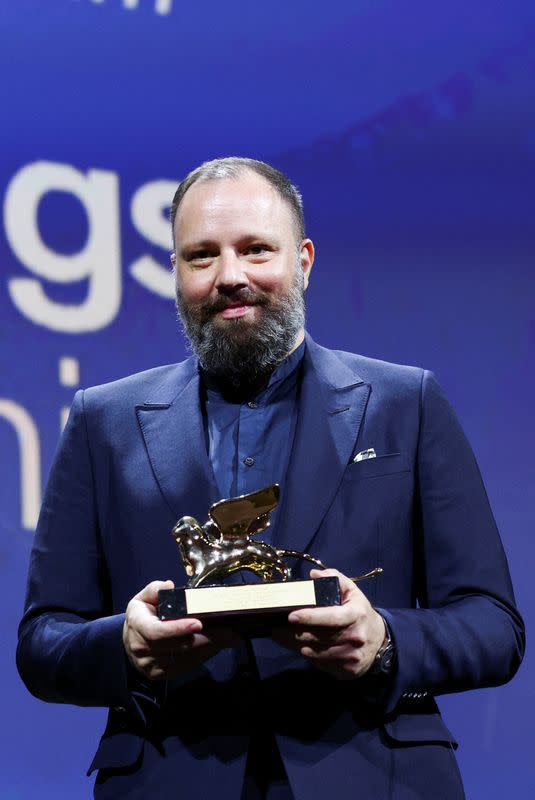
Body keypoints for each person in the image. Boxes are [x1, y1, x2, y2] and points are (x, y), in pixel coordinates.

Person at [17, 157, 524, 799]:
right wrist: (124, 646)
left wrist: (385, 642)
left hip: (376, 779)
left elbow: (493, 623)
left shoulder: (407, 403)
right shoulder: (102, 422)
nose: (231, 277)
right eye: (201, 256)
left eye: (257, 249)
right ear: (174, 273)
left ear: (304, 260)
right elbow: (42, 641)